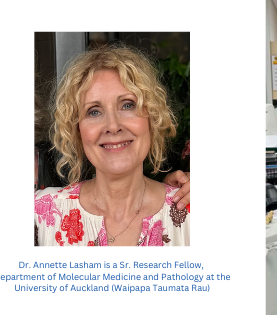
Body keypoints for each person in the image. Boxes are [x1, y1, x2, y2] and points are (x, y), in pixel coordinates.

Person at [34, 43, 190, 247]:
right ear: (77, 130)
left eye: (127, 105)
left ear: (152, 119)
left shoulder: (186, 212)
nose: (113, 126)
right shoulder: (41, 215)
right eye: (94, 111)